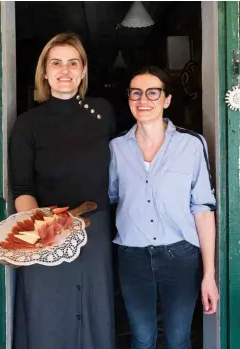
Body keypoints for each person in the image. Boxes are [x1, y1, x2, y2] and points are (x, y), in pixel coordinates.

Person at [10, 33, 116, 349]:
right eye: (56, 63)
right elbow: (23, 188)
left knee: (94, 316)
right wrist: (41, 229)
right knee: (47, 315)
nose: (65, 70)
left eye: (73, 62)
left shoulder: (102, 112)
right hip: (46, 231)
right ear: (44, 72)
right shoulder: (27, 124)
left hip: (94, 230)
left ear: (83, 71)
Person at [109, 66, 219, 349]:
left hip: (181, 257)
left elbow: (203, 209)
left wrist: (209, 275)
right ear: (129, 99)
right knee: (142, 337)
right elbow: (109, 197)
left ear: (166, 100)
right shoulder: (116, 148)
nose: (143, 100)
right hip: (132, 257)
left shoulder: (192, 145)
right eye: (136, 93)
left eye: (152, 93)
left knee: (178, 338)